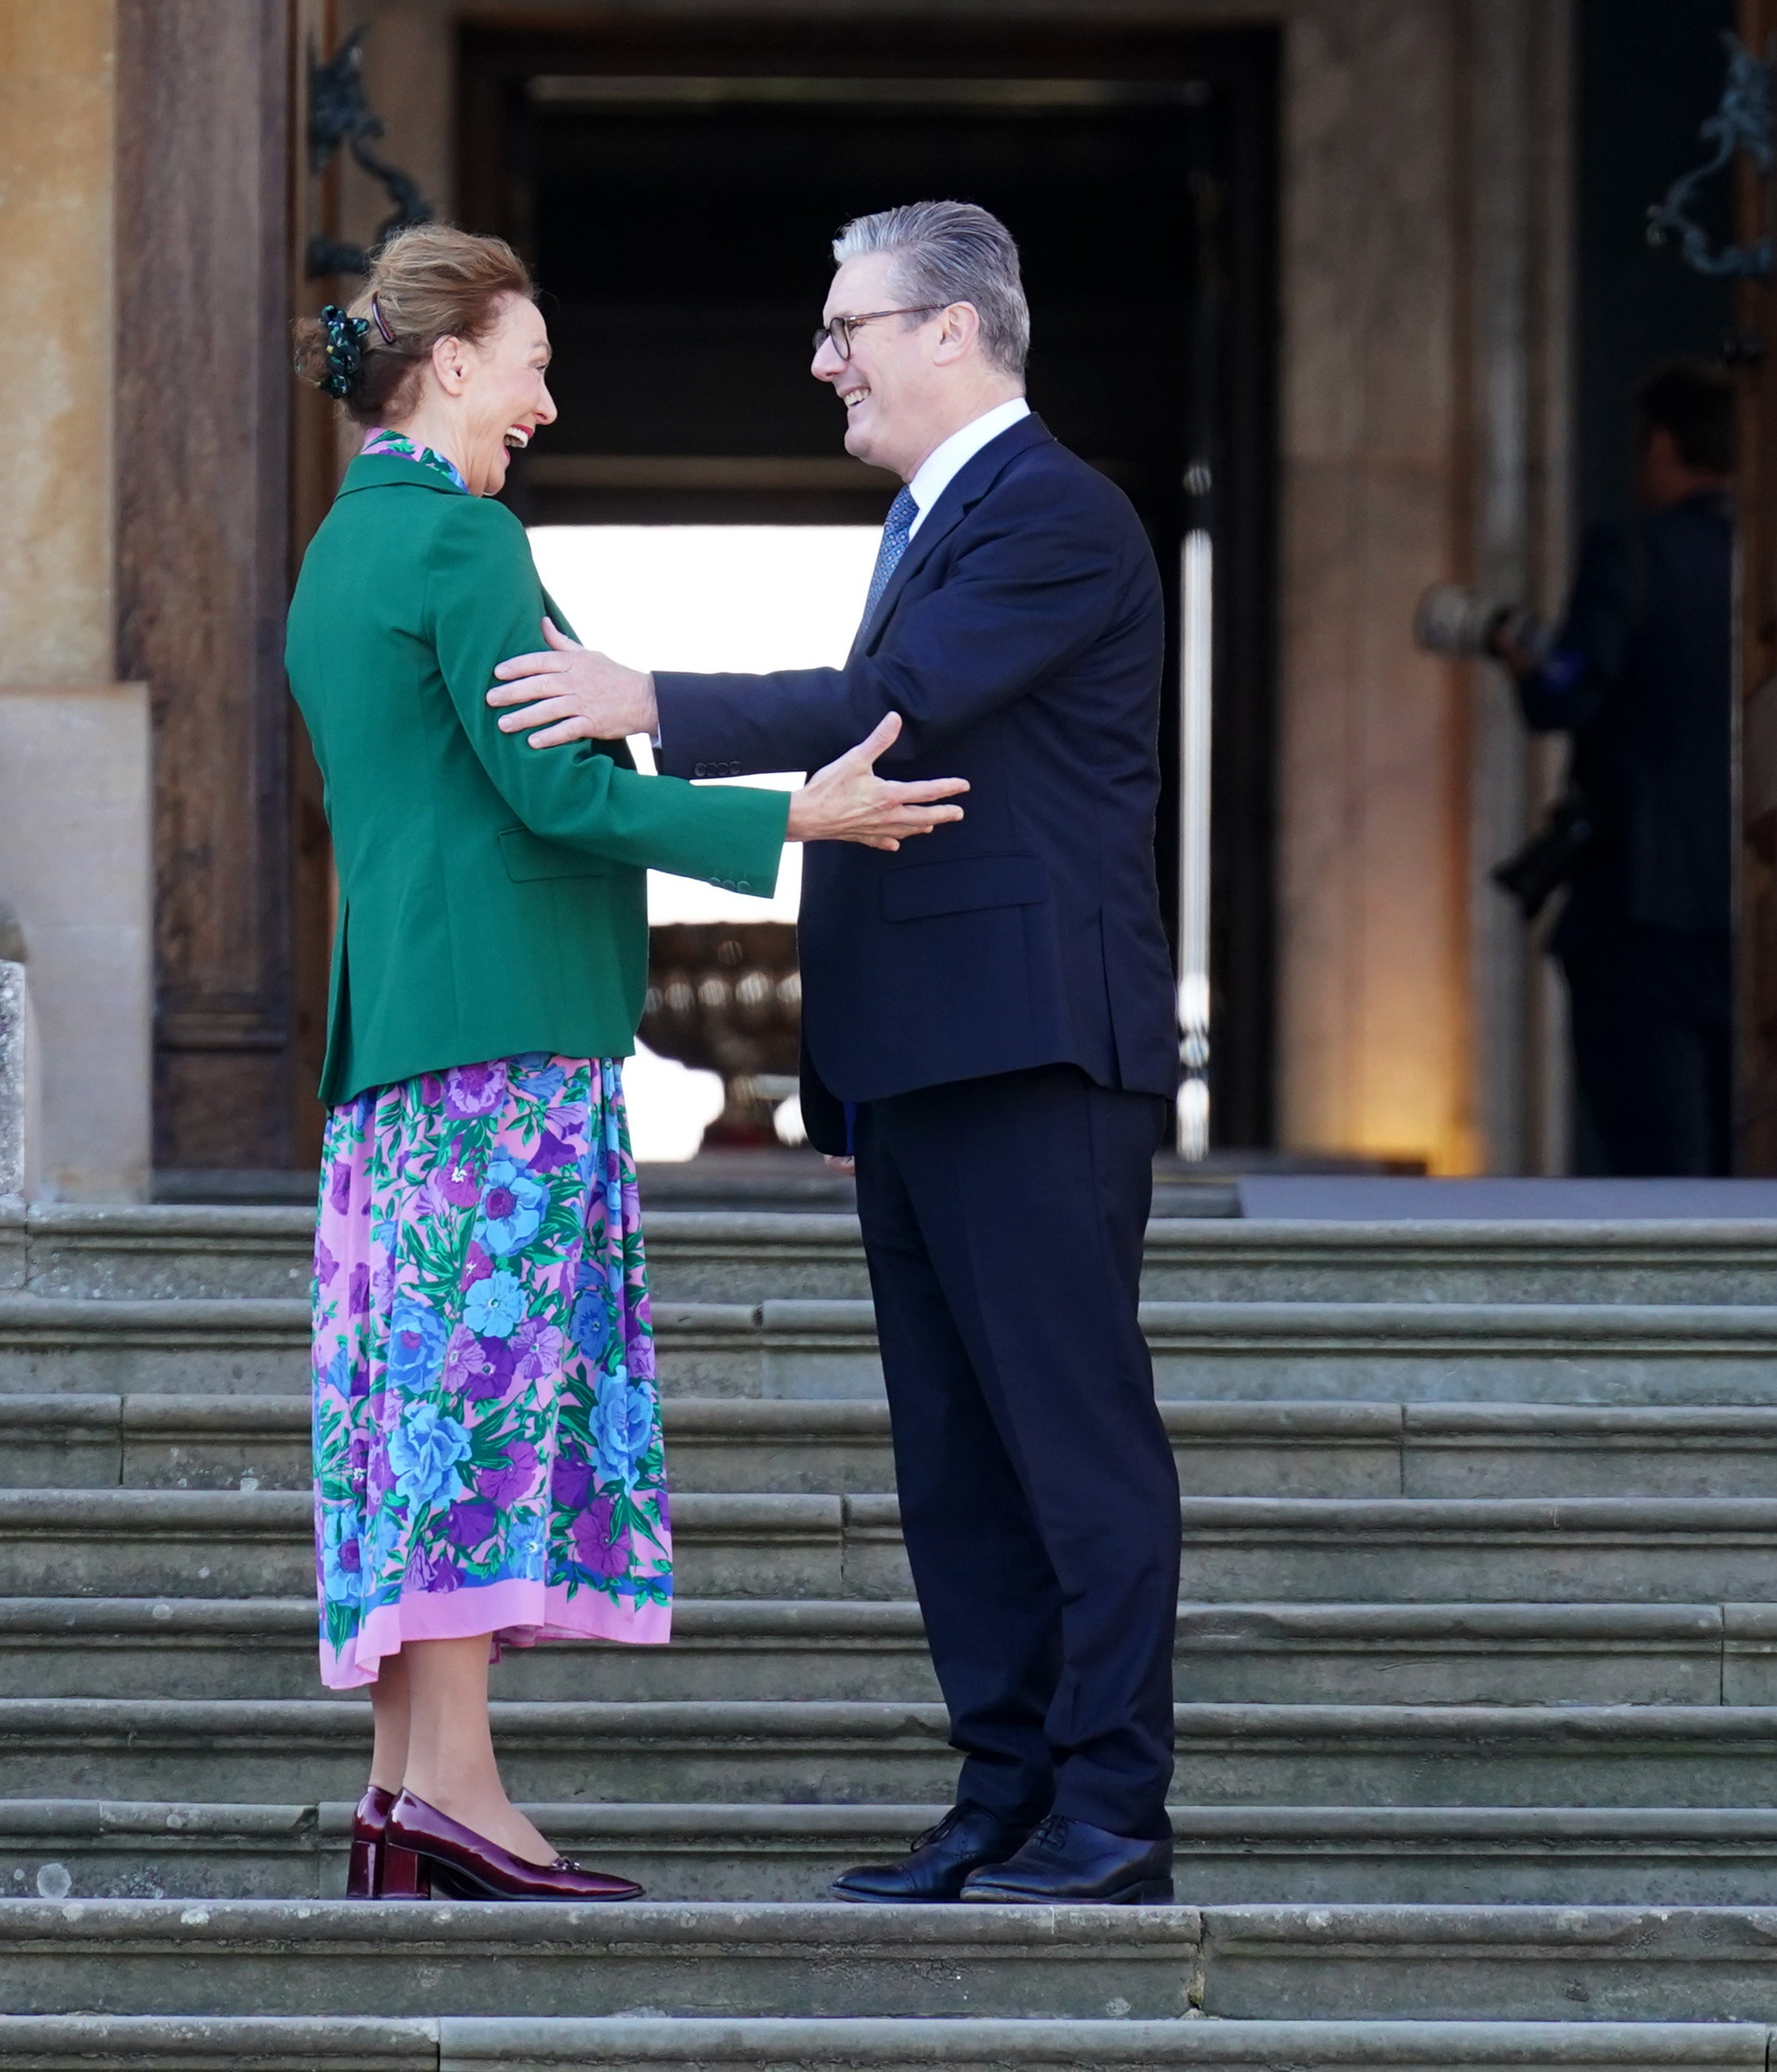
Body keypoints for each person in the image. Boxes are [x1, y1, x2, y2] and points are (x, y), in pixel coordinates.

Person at [486, 201, 1181, 1905]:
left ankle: (1109, 1816)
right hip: (929, 1064)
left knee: (1068, 1447)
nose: (821, 360)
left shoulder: (1055, 516)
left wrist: (639, 694)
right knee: (953, 1463)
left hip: (1030, 1058)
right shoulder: (935, 518)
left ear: (951, 330)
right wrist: (847, 1073)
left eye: (846, 326)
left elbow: (895, 707)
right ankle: (1000, 1800)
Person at [282, 225, 968, 1905]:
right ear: (448, 367)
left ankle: (404, 1788)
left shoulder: (342, 546)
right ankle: (451, 1790)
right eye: (525, 363)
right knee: (474, 1406)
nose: (544, 395)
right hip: (499, 1044)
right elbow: (552, 795)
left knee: (418, 1405)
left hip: (406, 1049)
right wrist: (790, 814)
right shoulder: (462, 543)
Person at [1495, 362, 1738, 1177]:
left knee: (1659, 1163)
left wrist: (1520, 658)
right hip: (1763, 909)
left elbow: (1569, 694)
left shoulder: (1631, 551)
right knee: (1749, 1158)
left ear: (1661, 445)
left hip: (1641, 901)